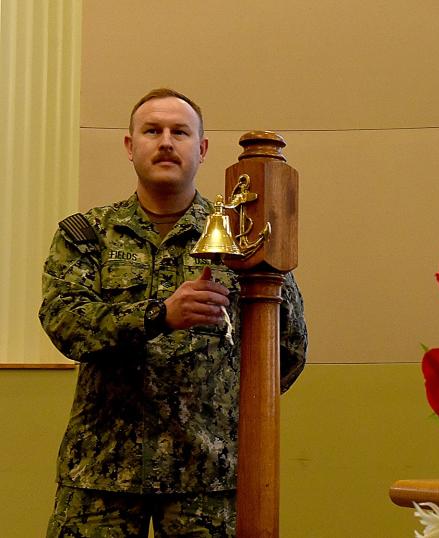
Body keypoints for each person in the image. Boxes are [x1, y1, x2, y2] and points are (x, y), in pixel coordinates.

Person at [40, 88, 308, 537]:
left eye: (179, 132)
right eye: (152, 131)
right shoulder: (88, 235)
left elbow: (288, 346)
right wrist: (160, 315)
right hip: (103, 472)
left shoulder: (243, 237)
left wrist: (223, 408)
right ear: (130, 146)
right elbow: (66, 323)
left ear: (201, 150)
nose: (166, 141)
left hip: (207, 475)